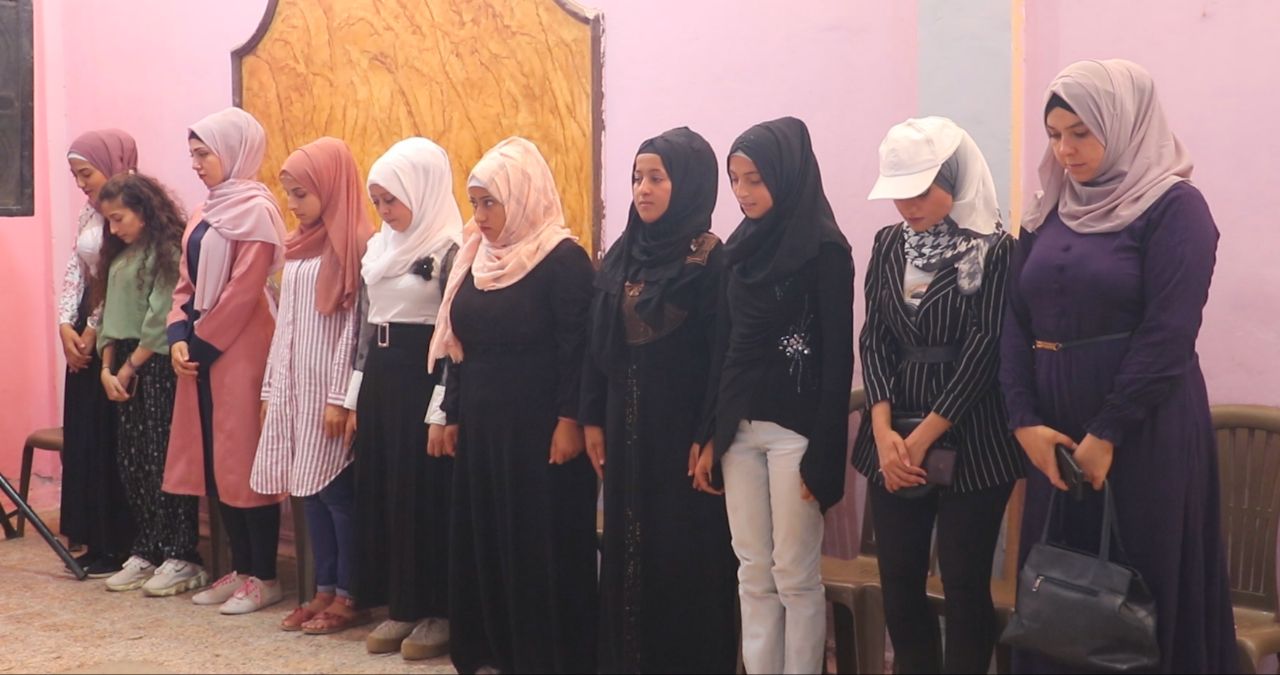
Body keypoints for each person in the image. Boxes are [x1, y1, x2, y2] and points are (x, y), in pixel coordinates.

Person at [1001, 58, 1238, 673]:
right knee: (1056, 596)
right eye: (1055, 134)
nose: (1066, 149)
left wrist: (1108, 430)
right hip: (1052, 437)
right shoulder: (1048, 207)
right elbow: (1014, 320)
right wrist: (1023, 421)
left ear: (1125, 124)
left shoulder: (1175, 208)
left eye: (1082, 133)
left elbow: (1170, 332)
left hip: (1143, 434)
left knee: (1137, 594)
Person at [856, 116, 1022, 674]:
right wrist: (883, 431)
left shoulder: (993, 249)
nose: (908, 205)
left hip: (973, 437)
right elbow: (874, 338)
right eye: (899, 192)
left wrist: (923, 436)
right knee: (899, 582)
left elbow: (984, 350)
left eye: (922, 191)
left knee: (963, 581)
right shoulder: (887, 244)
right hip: (893, 435)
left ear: (955, 179)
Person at [429, 137, 597, 674]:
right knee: (488, 537)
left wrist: (570, 419)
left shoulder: (563, 260)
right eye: (474, 203)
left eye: (490, 203)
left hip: (540, 429)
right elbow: (460, 344)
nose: (479, 216)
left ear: (522, 197)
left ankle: (547, 658)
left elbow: (578, 348)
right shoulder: (474, 257)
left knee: (538, 542)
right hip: (483, 424)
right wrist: (452, 413)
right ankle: (494, 650)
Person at [693, 116, 854, 674]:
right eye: (735, 180)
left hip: (797, 434)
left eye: (755, 179)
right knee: (753, 572)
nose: (742, 192)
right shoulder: (737, 250)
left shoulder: (826, 249)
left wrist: (826, 452)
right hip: (738, 431)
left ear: (787, 175)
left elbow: (837, 360)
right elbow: (724, 349)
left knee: (795, 575)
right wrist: (709, 433)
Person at [580, 127, 738, 674]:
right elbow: (596, 344)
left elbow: (722, 356)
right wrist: (591, 417)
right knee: (627, 547)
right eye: (636, 177)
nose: (642, 189)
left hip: (681, 437)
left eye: (656, 178)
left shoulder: (710, 260)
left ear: (688, 184)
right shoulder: (621, 254)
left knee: (682, 553)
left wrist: (709, 434)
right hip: (623, 431)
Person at [165, 107, 287, 608]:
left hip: (242, 348)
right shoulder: (205, 210)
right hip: (201, 348)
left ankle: (266, 575)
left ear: (234, 152)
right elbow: (185, 284)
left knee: (243, 459)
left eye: (204, 154)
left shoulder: (257, 211)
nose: (195, 165)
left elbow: (243, 290)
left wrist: (200, 345)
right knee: (217, 461)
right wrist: (177, 334)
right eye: (192, 155)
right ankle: (241, 567)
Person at [250, 137, 372, 634]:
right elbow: (286, 324)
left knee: (337, 494)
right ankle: (322, 589)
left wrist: (341, 398)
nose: (293, 205)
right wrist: (270, 389)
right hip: (296, 388)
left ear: (331, 186)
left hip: (329, 394)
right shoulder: (297, 245)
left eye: (301, 194)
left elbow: (354, 329)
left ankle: (349, 593)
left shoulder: (354, 244)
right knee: (310, 494)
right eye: (289, 194)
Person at [347, 137, 460, 658]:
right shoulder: (378, 249)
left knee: (424, 492)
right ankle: (401, 604)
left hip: (423, 375)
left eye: (392, 199)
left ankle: (438, 609)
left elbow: (454, 337)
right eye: (377, 201)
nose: (385, 211)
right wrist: (353, 399)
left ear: (422, 189)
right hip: (382, 378)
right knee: (385, 488)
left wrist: (442, 406)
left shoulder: (451, 249)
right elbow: (364, 328)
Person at [94, 173, 202, 594]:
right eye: (109, 220)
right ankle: (148, 547)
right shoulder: (121, 256)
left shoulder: (166, 251)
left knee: (162, 458)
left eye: (119, 218)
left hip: (153, 362)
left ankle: (180, 552)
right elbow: (109, 316)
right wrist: (107, 367)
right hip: (122, 360)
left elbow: (160, 317)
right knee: (133, 460)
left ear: (143, 210)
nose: (114, 228)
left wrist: (128, 368)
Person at [57, 129, 138, 577]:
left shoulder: (131, 210)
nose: (81, 183)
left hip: (114, 329)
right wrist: (64, 325)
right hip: (84, 323)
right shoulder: (88, 212)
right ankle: (92, 537)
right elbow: (77, 267)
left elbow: (116, 271)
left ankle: (118, 542)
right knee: (84, 433)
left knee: (111, 439)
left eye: (86, 172)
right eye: (75, 175)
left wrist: (92, 328)